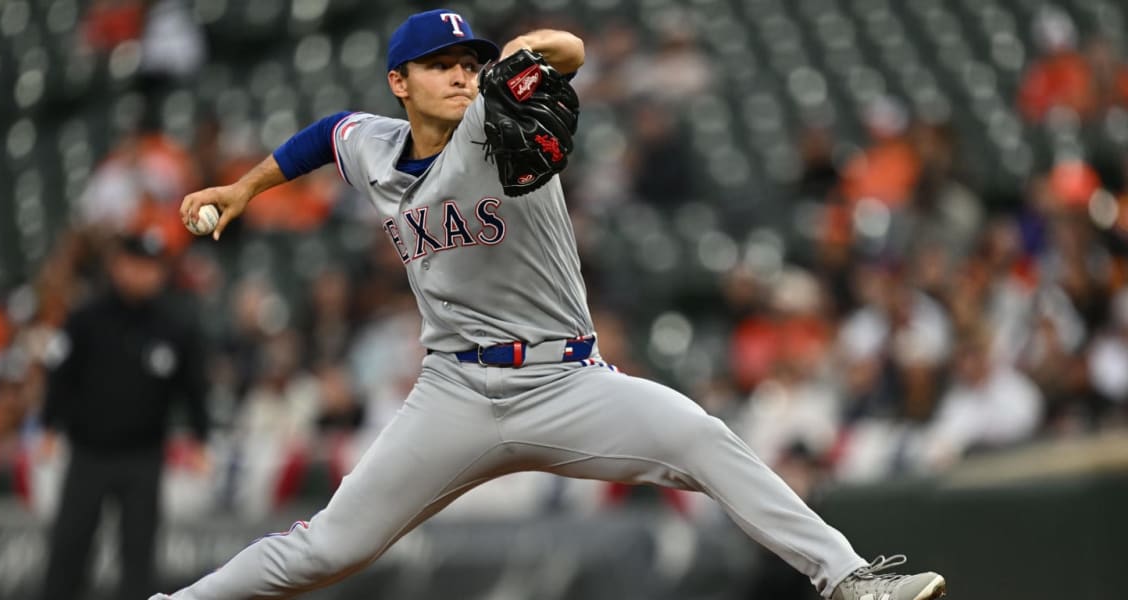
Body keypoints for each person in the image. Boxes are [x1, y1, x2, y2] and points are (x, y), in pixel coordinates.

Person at [158, 9, 946, 600]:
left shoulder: (493, 119)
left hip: (565, 380)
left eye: (467, 62)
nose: (459, 75)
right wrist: (242, 188)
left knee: (702, 437)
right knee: (330, 549)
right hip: (453, 392)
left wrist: (514, 60)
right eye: (438, 65)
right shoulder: (374, 145)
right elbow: (325, 135)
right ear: (399, 83)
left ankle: (849, 580)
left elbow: (567, 51)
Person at [39, 231, 210, 600]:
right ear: (118, 266)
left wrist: (201, 437)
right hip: (89, 452)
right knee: (70, 546)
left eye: (152, 267)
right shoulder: (86, 318)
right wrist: (49, 425)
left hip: (143, 455)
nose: (145, 274)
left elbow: (194, 387)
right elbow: (60, 375)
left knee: (139, 553)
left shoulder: (174, 325)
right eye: (137, 265)